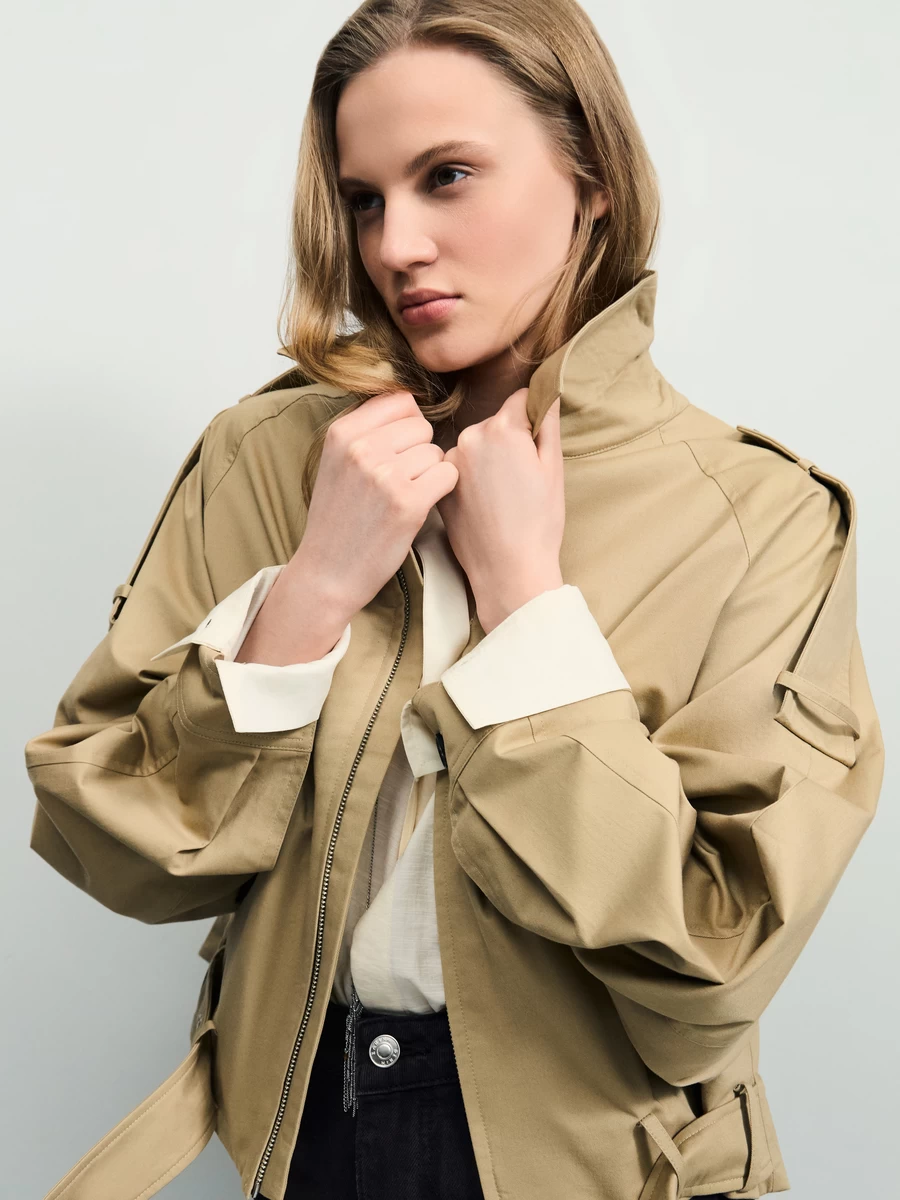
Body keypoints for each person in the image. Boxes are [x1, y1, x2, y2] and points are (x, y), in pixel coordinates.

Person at [24, 1, 884, 1199]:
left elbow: (716, 965)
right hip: (303, 1129)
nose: (397, 245)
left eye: (447, 177)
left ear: (590, 176)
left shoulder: (759, 519)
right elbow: (115, 850)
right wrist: (315, 590)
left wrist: (529, 612)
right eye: (363, 199)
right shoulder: (267, 461)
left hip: (597, 1164)